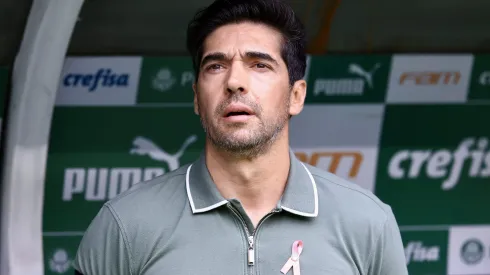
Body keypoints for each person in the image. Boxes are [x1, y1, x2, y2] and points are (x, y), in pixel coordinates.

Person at [73, 0, 409, 274]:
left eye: (259, 65)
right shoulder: (126, 224)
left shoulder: (368, 223)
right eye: (215, 66)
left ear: (296, 96)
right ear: (196, 98)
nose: (235, 81)